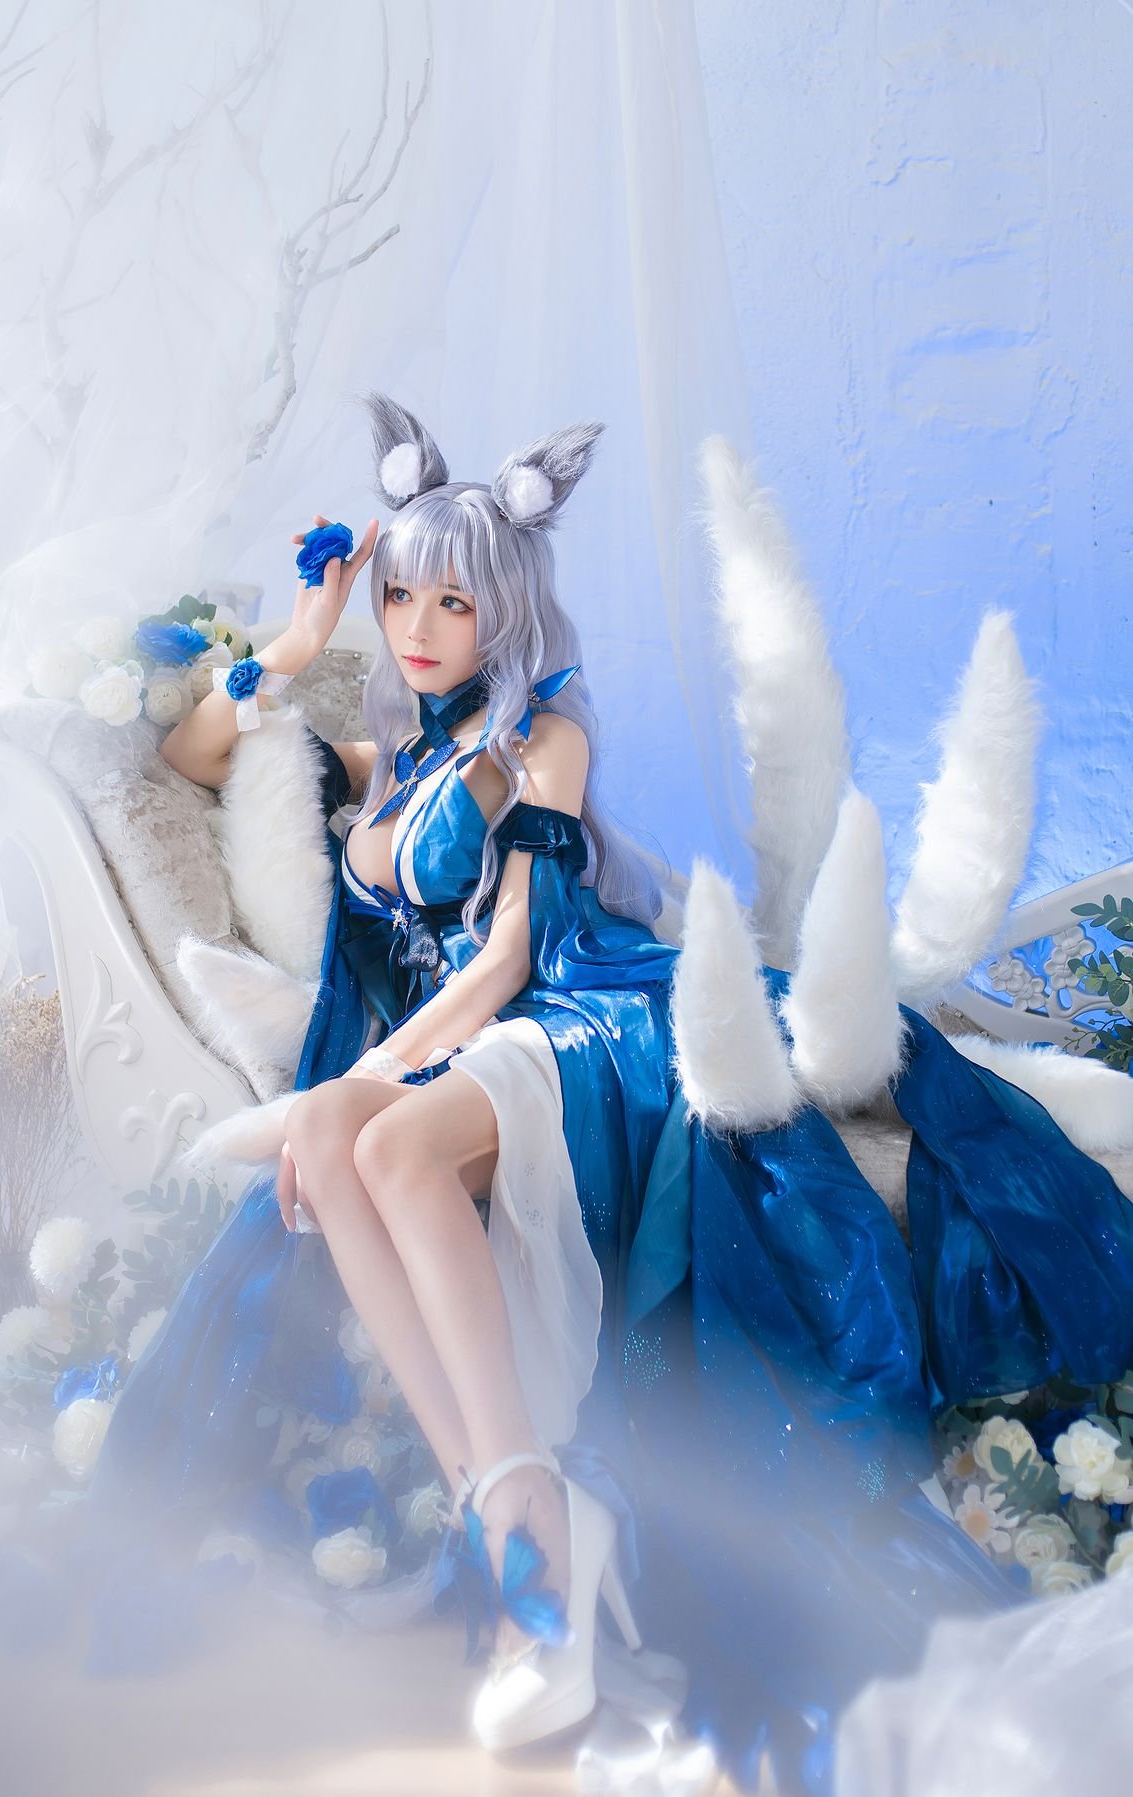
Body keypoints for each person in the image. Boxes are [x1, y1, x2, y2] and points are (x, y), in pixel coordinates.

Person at [85, 391, 1133, 1795]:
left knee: (377, 1146)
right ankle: (510, 1510)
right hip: (460, 1038)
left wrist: (378, 1071)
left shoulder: (542, 736)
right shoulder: (387, 761)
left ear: (505, 610)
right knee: (336, 1131)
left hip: (578, 1013)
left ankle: (523, 1512)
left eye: (453, 601)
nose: (418, 626)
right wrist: (302, 631)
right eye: (402, 595)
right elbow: (194, 757)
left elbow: (510, 952)